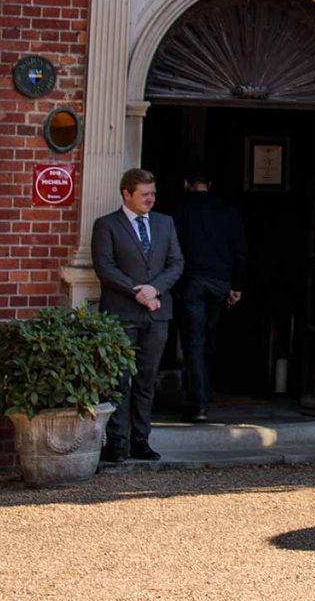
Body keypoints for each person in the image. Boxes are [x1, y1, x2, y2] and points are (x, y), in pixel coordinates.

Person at [91, 167, 184, 464]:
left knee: (147, 379)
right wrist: (137, 292)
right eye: (144, 195)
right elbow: (105, 268)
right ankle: (117, 443)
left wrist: (154, 289)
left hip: (157, 315)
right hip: (121, 313)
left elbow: (176, 263)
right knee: (118, 380)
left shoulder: (165, 223)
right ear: (126, 194)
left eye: (153, 194)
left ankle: (141, 440)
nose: (150, 200)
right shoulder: (106, 225)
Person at [169, 172, 247, 423]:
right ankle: (205, 394)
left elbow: (173, 247)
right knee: (209, 341)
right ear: (210, 185)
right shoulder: (228, 211)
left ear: (186, 183)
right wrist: (237, 285)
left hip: (192, 281)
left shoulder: (181, 209)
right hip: (221, 283)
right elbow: (239, 249)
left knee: (194, 343)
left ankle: (198, 403)